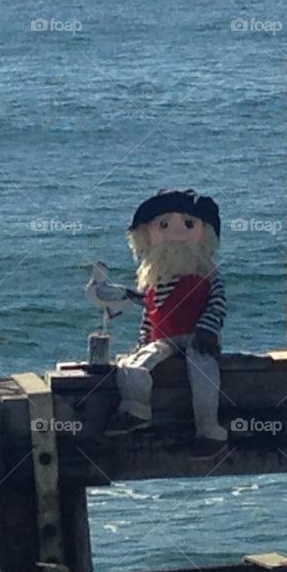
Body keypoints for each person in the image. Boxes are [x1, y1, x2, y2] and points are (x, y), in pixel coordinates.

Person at [105, 188, 228, 443]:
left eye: (188, 224)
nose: (176, 233)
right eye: (163, 225)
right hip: (163, 339)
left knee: (204, 374)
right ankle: (136, 411)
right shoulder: (155, 280)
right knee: (132, 366)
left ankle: (208, 429)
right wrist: (143, 342)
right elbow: (151, 313)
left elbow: (217, 303)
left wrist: (208, 329)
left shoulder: (208, 275)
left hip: (197, 338)